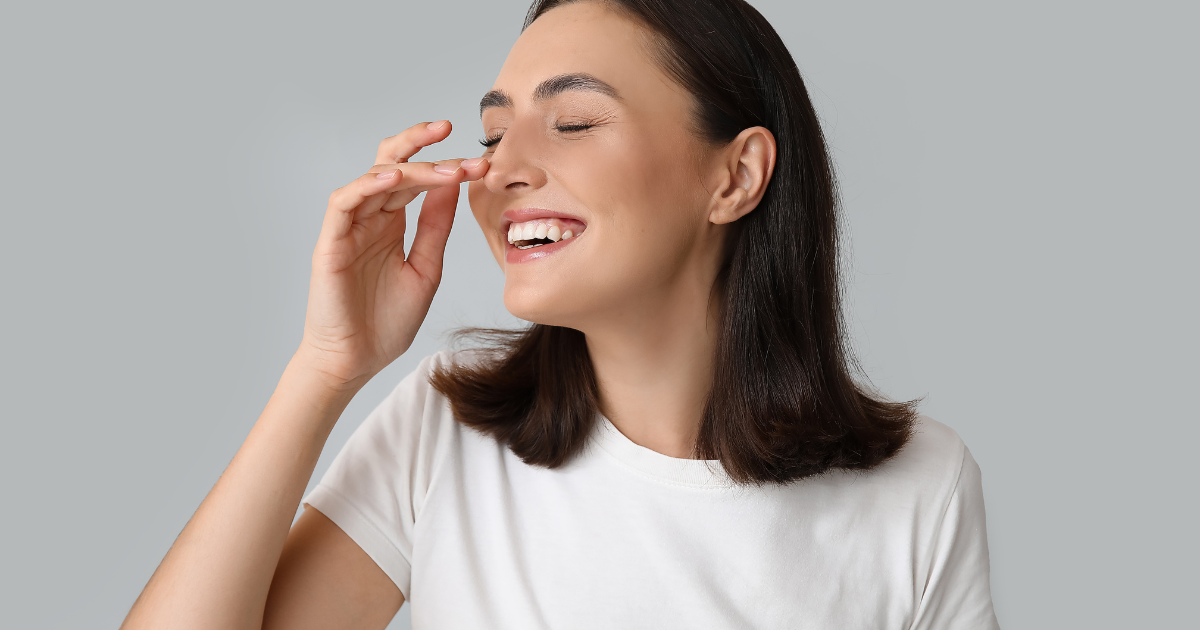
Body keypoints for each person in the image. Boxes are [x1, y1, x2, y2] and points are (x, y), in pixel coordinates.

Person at [122, 0, 1000, 628]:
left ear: (735, 177)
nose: (502, 171)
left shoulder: (919, 487)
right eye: (495, 134)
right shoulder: (448, 428)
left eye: (574, 122)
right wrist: (324, 368)